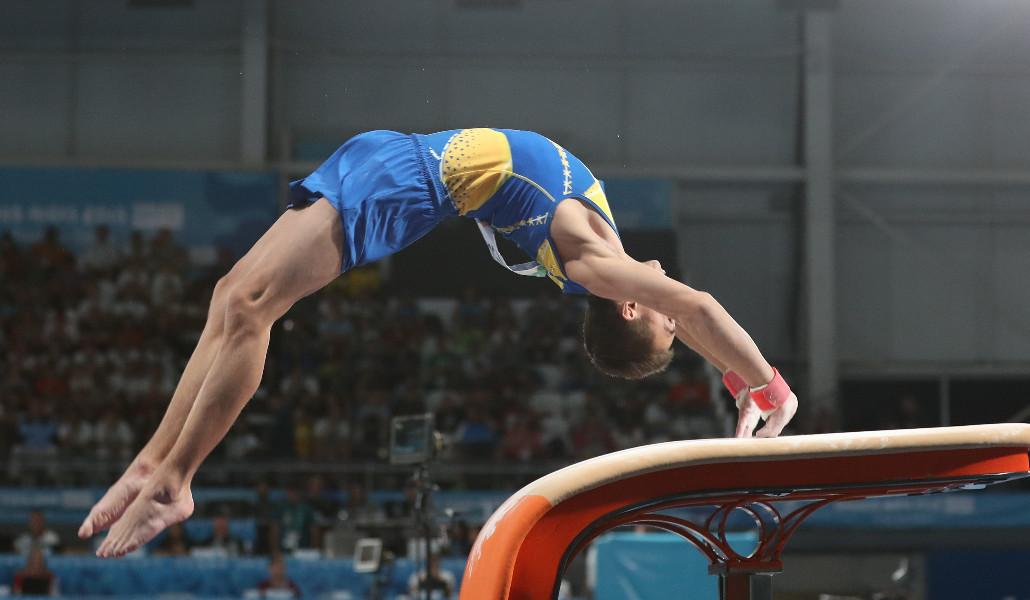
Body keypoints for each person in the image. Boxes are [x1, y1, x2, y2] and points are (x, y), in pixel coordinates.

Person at [79, 128, 798, 557]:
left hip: (406, 183)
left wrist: (764, 381)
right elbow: (696, 318)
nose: (673, 302)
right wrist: (732, 378)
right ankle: (153, 462)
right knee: (229, 298)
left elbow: (700, 308)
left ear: (633, 308)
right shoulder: (599, 247)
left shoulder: (590, 260)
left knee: (254, 310)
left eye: (664, 323)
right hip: (391, 157)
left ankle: (178, 483)